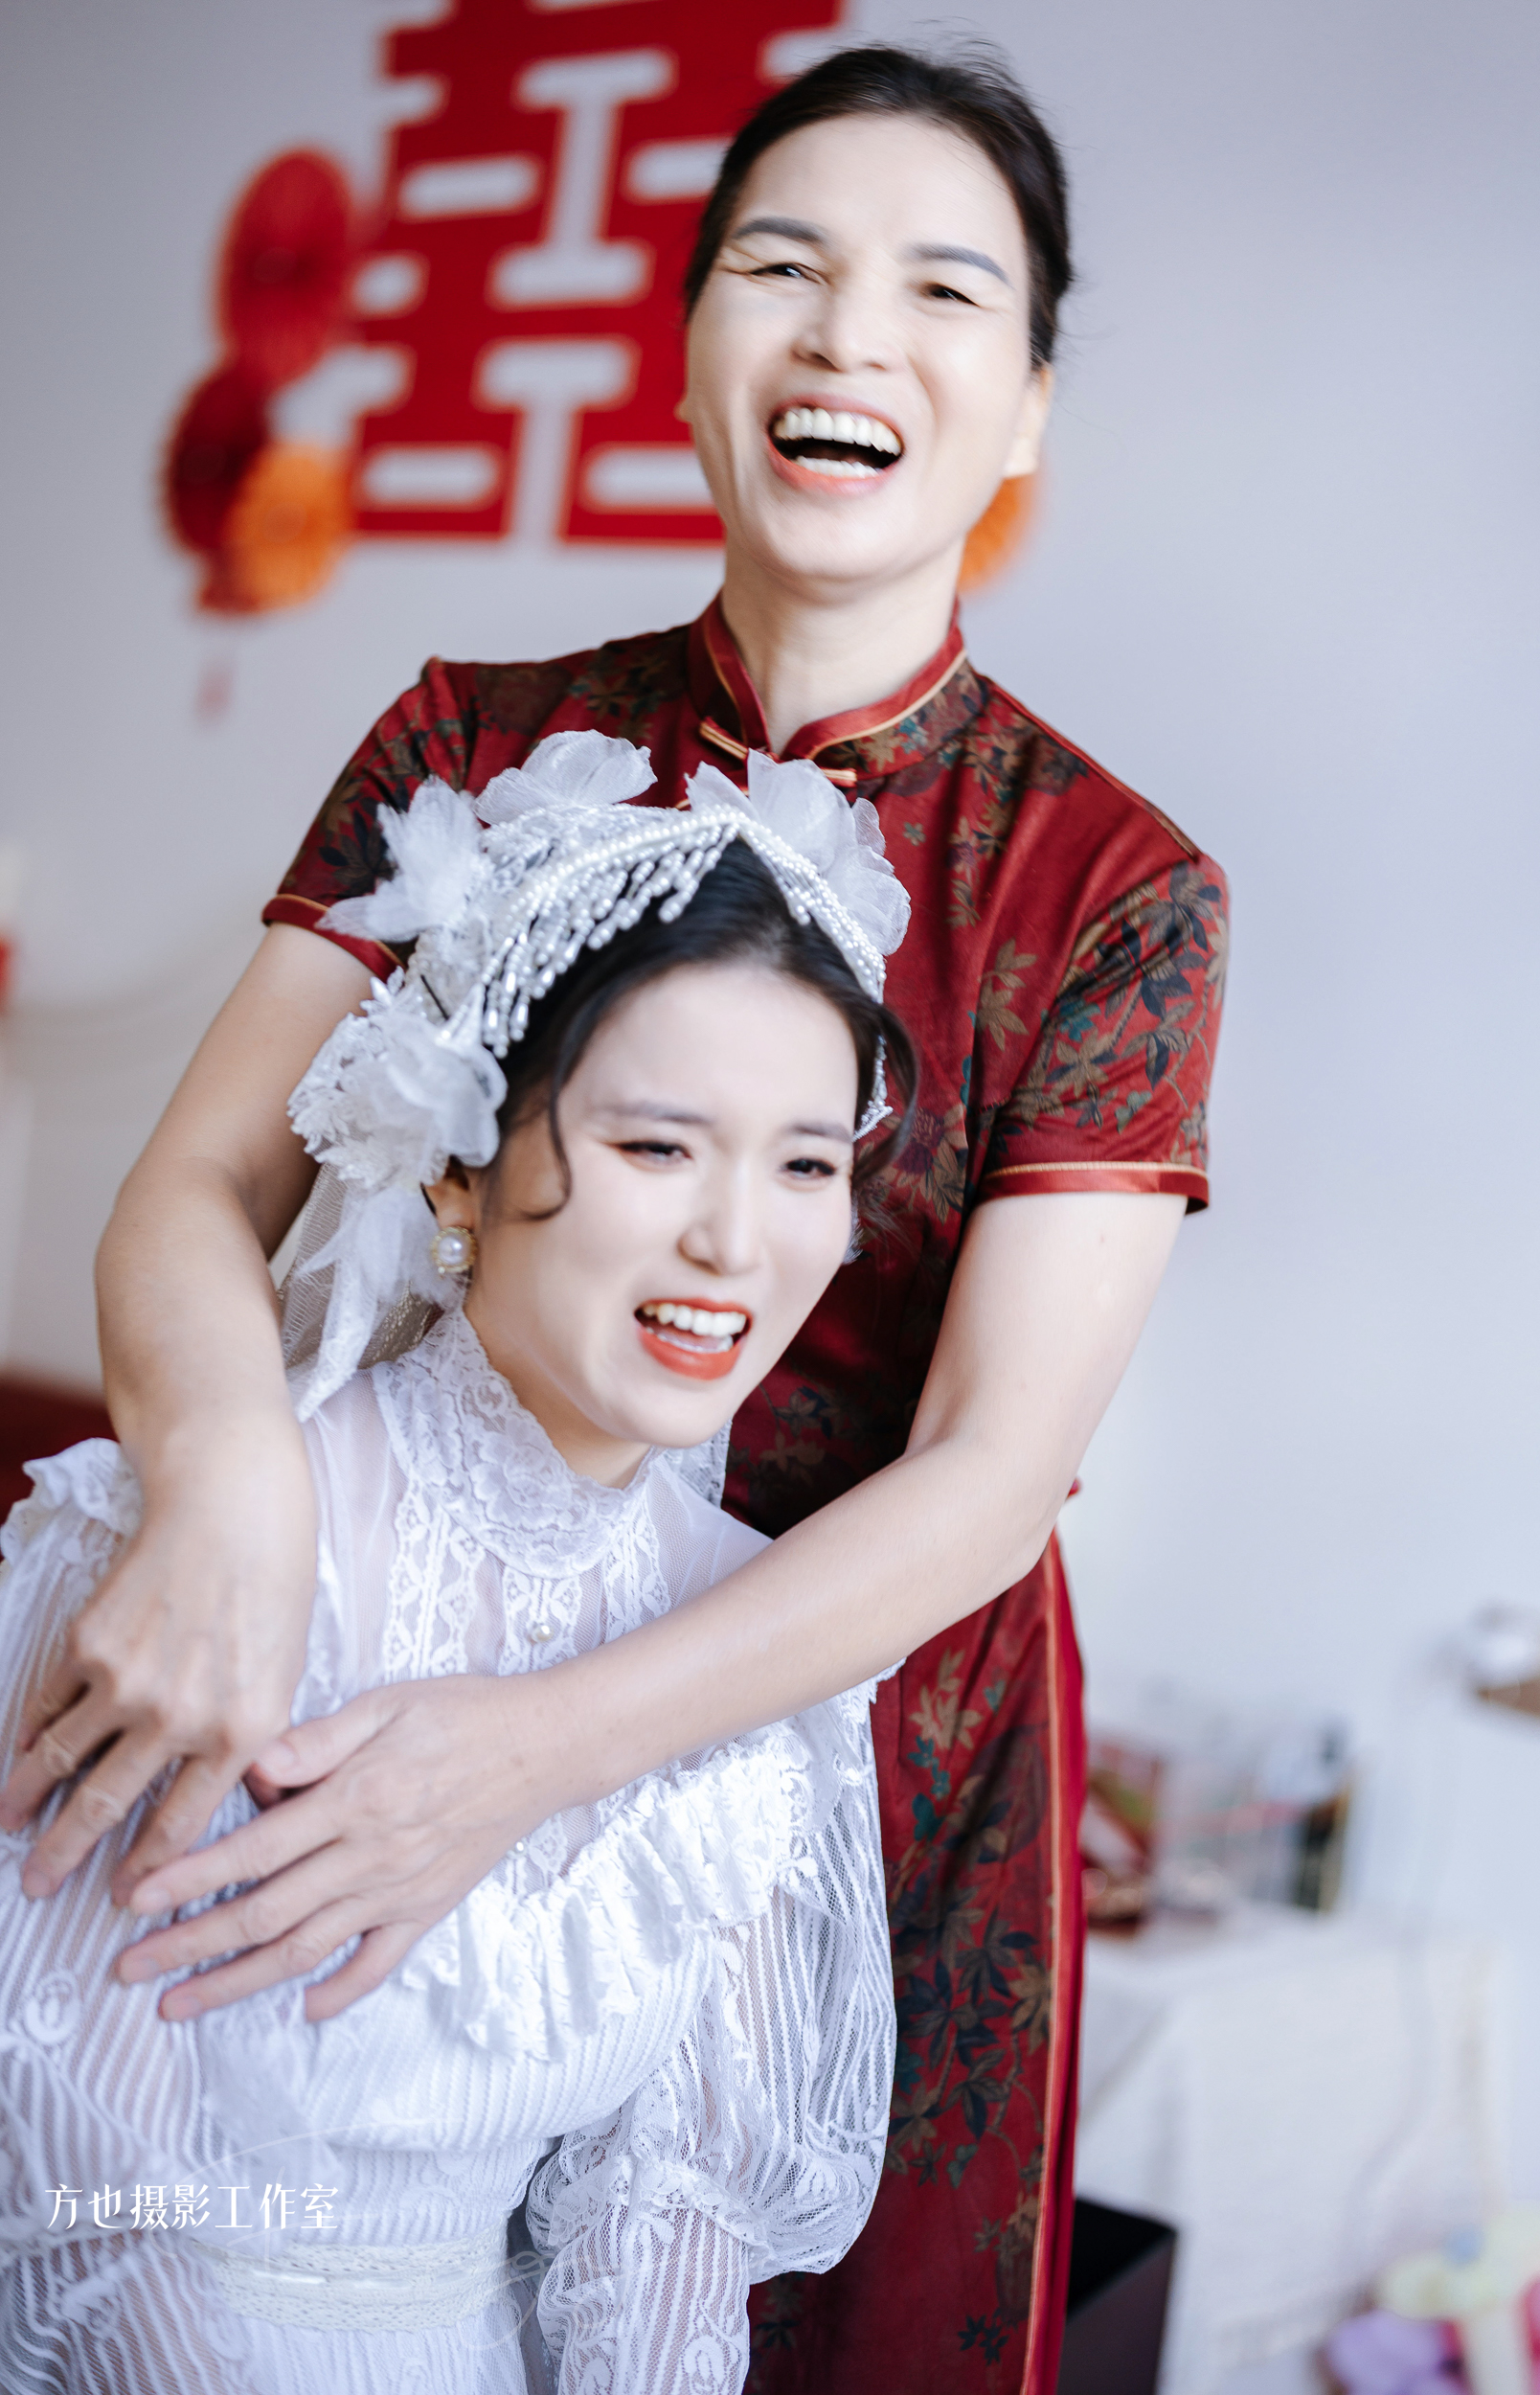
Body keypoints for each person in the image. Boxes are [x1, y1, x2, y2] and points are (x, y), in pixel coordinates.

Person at [0, 43, 1228, 2395]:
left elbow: (992, 1471)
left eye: (944, 291)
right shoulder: (468, 738)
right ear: (686, 349)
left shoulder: (1111, 886)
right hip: (395, 1608)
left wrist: (533, 1753)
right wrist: (235, 1488)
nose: (852, 335)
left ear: (1029, 408)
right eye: (784, 265)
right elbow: (196, 1189)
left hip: (838, 1726)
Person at [0, 736, 917, 2392]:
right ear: (452, 1163)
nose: (735, 1242)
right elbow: (78, 2201)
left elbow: (667, 2224)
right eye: (656, 1147)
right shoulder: (197, 1553)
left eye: (804, 1163)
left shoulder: (755, 1642)